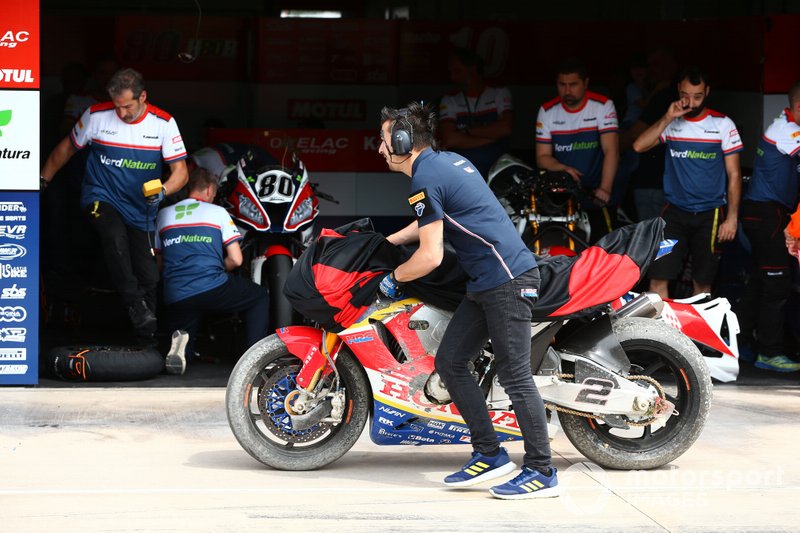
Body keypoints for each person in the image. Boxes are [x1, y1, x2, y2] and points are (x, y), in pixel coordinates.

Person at [377, 102, 558, 500]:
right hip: (487, 283)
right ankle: (490, 454)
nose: (380, 149)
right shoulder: (446, 163)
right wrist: (384, 244)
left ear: (405, 141)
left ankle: (542, 471)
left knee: (515, 376)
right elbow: (430, 221)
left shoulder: (423, 180)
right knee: (452, 362)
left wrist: (393, 277)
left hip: (508, 282)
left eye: (385, 139)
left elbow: (431, 255)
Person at [40, 68, 189, 340]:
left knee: (150, 277)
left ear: (143, 96)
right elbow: (66, 149)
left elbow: (181, 171)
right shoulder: (96, 115)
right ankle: (132, 303)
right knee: (113, 236)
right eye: (117, 107)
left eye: (127, 107)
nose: (121, 113)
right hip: (101, 196)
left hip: (141, 208)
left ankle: (148, 340)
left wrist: (164, 190)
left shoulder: (163, 123)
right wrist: (43, 180)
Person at [633, 67, 743, 299]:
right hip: (674, 212)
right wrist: (667, 117)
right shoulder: (671, 122)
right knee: (657, 281)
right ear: (678, 91)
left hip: (710, 214)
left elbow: (734, 175)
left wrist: (732, 218)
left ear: (708, 92)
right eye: (685, 95)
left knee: (702, 286)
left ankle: (697, 336)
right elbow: (638, 146)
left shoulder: (723, 124)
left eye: (698, 96)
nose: (691, 102)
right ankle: (658, 336)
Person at [155, 167, 270, 375]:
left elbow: (160, 264)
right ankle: (254, 359)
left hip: (177, 293)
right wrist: (216, 269)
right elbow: (236, 259)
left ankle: (183, 351)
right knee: (258, 296)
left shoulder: (164, 215)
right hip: (212, 287)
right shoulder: (217, 212)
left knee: (185, 326)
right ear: (209, 189)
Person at [736, 81, 800, 372]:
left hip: (764, 213)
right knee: (777, 284)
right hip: (767, 215)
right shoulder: (786, 131)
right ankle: (769, 353)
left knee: (760, 283)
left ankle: (743, 345)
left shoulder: (785, 125)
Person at [535, 58, 620, 242]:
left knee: (605, 247)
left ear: (586, 83)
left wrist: (605, 188)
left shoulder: (603, 106)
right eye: (562, 85)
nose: (567, 91)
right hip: (563, 197)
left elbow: (611, 150)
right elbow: (542, 157)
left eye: (573, 84)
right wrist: (563, 168)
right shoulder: (547, 111)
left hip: (597, 194)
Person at [622, 48, 678, 222]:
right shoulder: (646, 91)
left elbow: (633, 138)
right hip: (668, 184)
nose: (649, 69)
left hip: (653, 183)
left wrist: (611, 148)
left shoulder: (663, 96)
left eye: (655, 64)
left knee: (652, 241)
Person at [438, 47, 513, 177]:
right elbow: (448, 138)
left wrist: (467, 132)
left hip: (497, 171)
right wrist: (491, 137)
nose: (453, 76)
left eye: (457, 71)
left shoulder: (498, 92)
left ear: (472, 69)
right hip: (462, 172)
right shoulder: (450, 99)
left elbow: (505, 128)